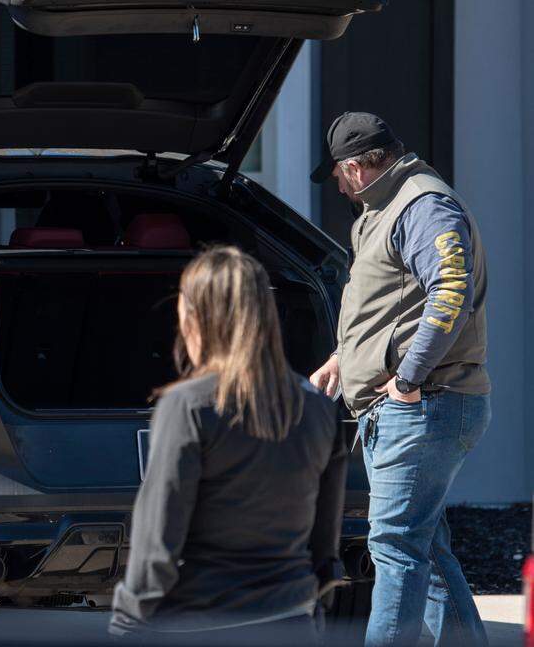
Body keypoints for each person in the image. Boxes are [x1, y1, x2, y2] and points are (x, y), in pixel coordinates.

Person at [308, 112, 490, 646]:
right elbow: (390, 304)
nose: (338, 185)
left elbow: (449, 292)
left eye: (339, 174)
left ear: (358, 167)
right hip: (418, 404)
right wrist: (345, 356)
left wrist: (408, 378)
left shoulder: (422, 205)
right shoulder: (386, 207)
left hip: (425, 404)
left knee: (395, 546)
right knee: (424, 548)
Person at [111, 246, 347, 643]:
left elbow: (158, 543)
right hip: (291, 621)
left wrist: (126, 624)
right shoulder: (320, 409)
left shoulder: (188, 406)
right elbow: (325, 545)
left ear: (196, 318)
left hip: (201, 623)